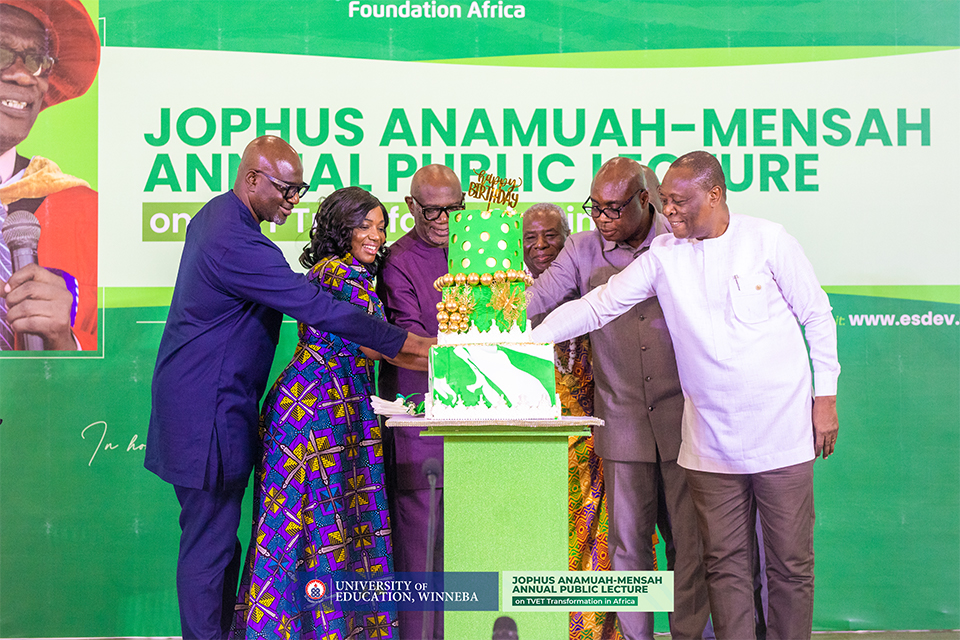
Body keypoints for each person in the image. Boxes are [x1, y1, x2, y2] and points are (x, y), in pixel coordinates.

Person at [531, 151, 840, 640]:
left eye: (677, 202)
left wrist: (825, 398)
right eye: (664, 202)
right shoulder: (664, 257)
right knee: (725, 565)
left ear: (714, 195)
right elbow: (596, 306)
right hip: (709, 444)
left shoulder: (768, 240)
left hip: (781, 433)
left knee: (789, 565)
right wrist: (518, 341)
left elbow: (817, 316)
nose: (667, 212)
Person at [146, 136, 432, 640]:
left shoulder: (219, 218)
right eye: (285, 189)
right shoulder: (236, 240)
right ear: (252, 178)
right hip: (207, 412)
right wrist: (412, 344)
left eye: (300, 190)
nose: (292, 200)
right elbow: (317, 306)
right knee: (210, 547)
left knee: (218, 545)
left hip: (207, 405)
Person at [526, 158, 709, 640]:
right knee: (628, 549)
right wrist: (483, 310)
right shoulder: (579, 249)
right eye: (594, 208)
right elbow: (535, 303)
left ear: (644, 201)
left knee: (689, 545)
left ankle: (690, 633)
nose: (600, 219)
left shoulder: (683, 241)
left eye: (612, 208)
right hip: (621, 421)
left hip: (685, 421)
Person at [231, 186, 412, 639]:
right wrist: (443, 353)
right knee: (310, 530)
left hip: (331, 405)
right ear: (340, 228)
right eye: (364, 225)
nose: (376, 235)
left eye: (381, 226)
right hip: (314, 411)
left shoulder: (345, 272)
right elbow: (370, 343)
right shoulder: (341, 273)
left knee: (320, 529)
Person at [375, 163, 463, 640]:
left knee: (467, 558)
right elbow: (409, 343)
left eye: (455, 208)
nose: (445, 219)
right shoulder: (396, 261)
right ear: (411, 207)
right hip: (420, 429)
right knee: (420, 557)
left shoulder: (477, 252)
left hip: (478, 426)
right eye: (433, 210)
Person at [0, 0, 99, 350]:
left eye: (35, 61)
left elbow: (117, 369)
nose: (23, 74)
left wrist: (64, 341)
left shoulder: (88, 214)